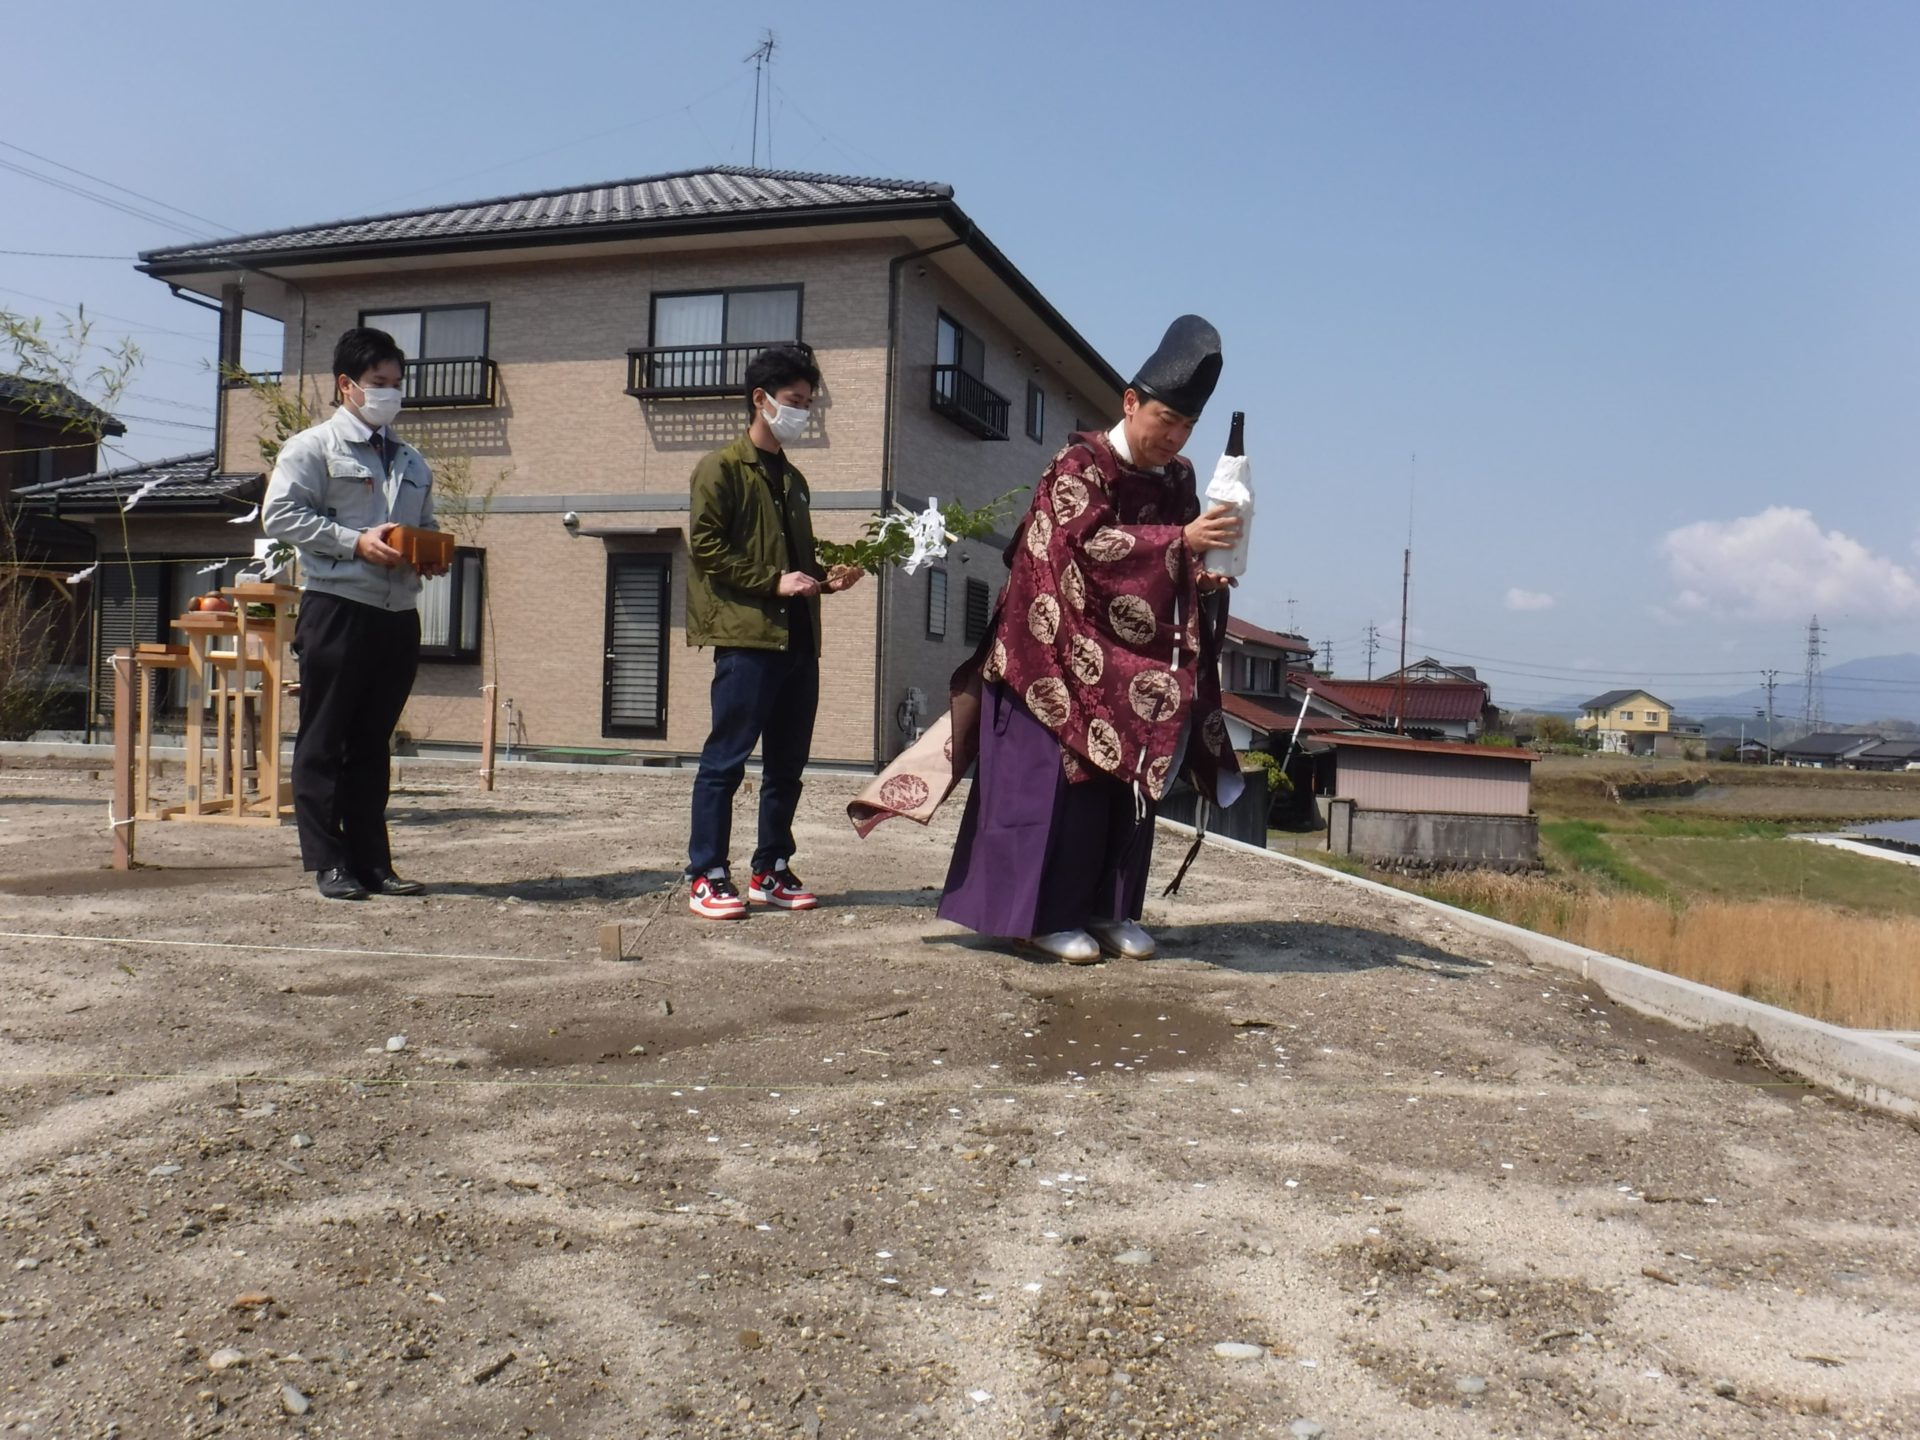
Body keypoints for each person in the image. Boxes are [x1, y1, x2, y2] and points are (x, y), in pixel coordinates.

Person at [848, 315, 1244, 962]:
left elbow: (1179, 558)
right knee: (1052, 797)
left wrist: (1201, 573)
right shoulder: (1077, 465)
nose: (1174, 437)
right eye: (1166, 419)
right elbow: (1080, 550)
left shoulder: (1177, 478)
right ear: (1130, 402)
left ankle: (1112, 909)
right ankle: (1039, 918)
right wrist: (1179, 544)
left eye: (1187, 426)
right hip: (1047, 652)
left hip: (1129, 661)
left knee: (1126, 789)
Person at [262, 327, 447, 901]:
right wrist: (353, 542)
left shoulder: (411, 459)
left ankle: (373, 863)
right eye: (377, 382)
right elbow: (280, 515)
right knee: (325, 738)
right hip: (337, 607)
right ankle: (328, 862)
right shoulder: (313, 447)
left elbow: (426, 523)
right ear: (347, 385)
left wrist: (429, 551)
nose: (389, 393)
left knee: (371, 742)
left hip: (397, 613)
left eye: (396, 383)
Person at [684, 344, 862, 920]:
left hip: (799, 642)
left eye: (808, 403)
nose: (802, 412)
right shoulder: (720, 468)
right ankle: (707, 873)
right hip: (747, 639)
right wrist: (772, 582)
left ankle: (771, 869)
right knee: (726, 761)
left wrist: (827, 578)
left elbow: (794, 563)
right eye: (794, 400)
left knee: (787, 766)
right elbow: (706, 548)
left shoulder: (794, 479)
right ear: (760, 399)